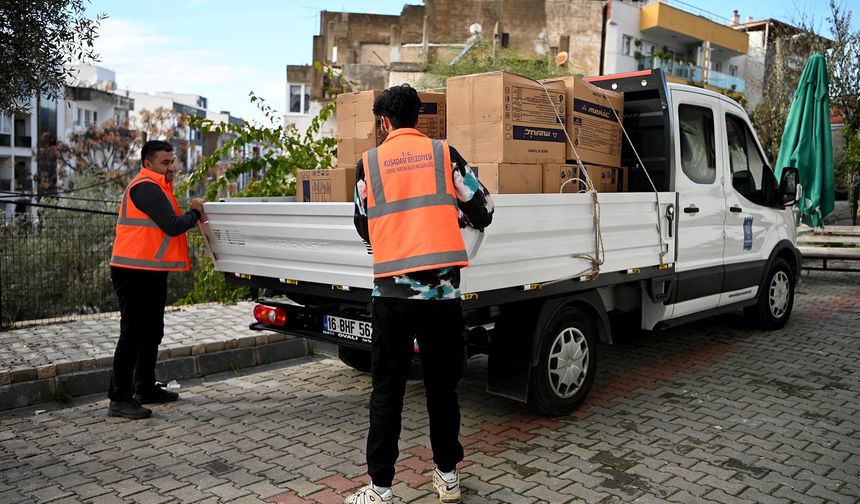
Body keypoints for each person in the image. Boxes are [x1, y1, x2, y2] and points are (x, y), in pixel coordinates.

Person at [346, 84, 494, 504]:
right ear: (417, 119)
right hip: (442, 298)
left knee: (387, 390)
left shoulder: (368, 163)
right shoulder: (443, 154)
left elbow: (363, 224)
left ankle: (380, 489)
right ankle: (447, 477)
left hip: (391, 296)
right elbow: (482, 209)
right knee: (442, 389)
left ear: (384, 122)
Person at [106, 140, 205, 420]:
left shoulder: (158, 187)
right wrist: (195, 212)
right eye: (165, 162)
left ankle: (145, 389)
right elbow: (173, 226)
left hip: (148, 270)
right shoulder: (146, 188)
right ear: (148, 164)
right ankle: (119, 399)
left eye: (172, 161)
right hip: (132, 271)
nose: (171, 167)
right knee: (132, 335)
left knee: (151, 332)